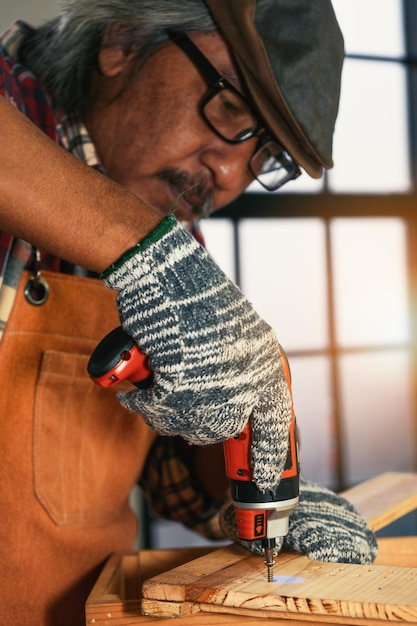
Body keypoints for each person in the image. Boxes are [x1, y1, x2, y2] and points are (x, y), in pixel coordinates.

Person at [0, 1, 377, 624]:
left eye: (266, 157)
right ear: (120, 41)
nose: (230, 173)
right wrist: (145, 252)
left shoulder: (167, 242)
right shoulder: (19, 109)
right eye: (231, 109)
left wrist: (267, 483)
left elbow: (176, 469)